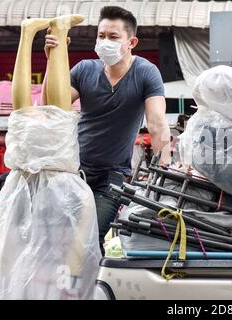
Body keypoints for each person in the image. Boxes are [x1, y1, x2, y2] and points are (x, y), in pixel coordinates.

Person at [43, 6, 171, 254]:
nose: (105, 42)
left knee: (92, 235)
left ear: (131, 42)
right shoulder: (84, 69)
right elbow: (53, 104)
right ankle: (71, 287)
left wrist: (163, 173)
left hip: (113, 175)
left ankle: (93, 289)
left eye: (113, 37)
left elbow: (157, 124)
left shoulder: (146, 72)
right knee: (63, 236)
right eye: (101, 36)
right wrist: (52, 59)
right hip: (73, 169)